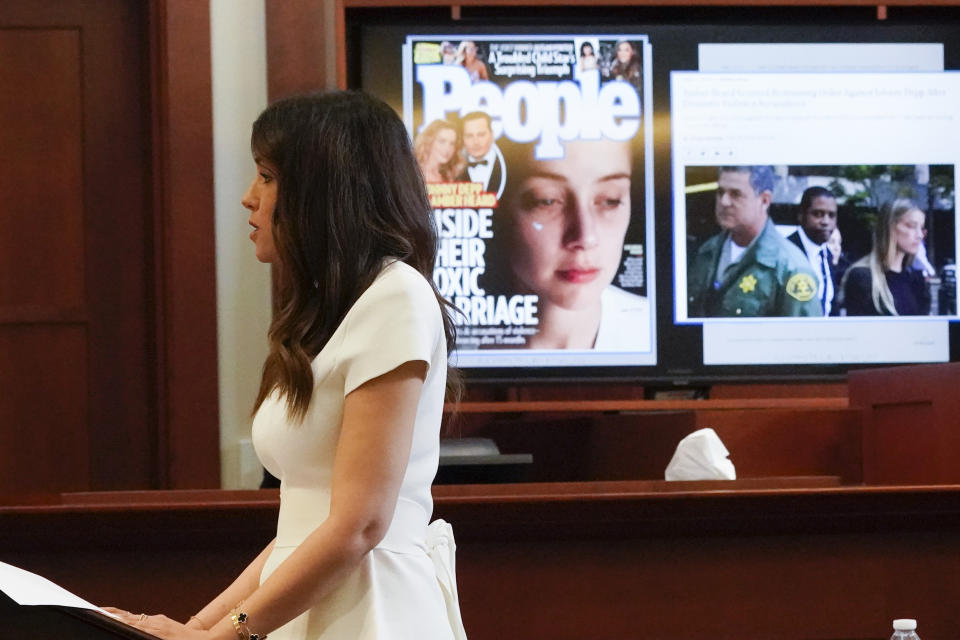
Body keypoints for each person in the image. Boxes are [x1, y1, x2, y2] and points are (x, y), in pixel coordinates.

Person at [107, 91, 466, 640]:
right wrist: (195, 628)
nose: (249, 198)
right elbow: (300, 528)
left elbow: (360, 524)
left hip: (373, 613)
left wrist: (224, 635)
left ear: (326, 191)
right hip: (316, 605)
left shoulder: (397, 297)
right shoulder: (328, 312)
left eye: (267, 177)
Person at [494, 137, 650, 351]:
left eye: (610, 199)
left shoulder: (656, 335)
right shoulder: (446, 339)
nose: (586, 238)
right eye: (546, 200)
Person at [687, 166, 822, 317]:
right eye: (720, 192)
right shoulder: (707, 252)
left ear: (764, 200)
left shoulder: (791, 268)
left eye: (736, 194)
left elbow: (803, 337)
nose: (724, 202)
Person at [841, 198, 931, 316]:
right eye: (911, 226)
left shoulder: (916, 280)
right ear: (890, 227)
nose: (919, 235)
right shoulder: (862, 277)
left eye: (921, 228)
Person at [785, 186, 841, 316]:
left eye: (831, 215)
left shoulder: (827, 255)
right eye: (818, 214)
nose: (826, 222)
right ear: (801, 215)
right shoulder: (786, 252)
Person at [455, 111, 505, 197]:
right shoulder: (453, 170)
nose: (476, 142)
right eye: (469, 136)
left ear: (492, 136)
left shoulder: (510, 165)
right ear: (463, 139)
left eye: (481, 135)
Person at [414, 119, 465, 183]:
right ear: (428, 141)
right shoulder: (413, 173)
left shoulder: (450, 176)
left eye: (452, 143)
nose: (447, 149)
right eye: (442, 141)